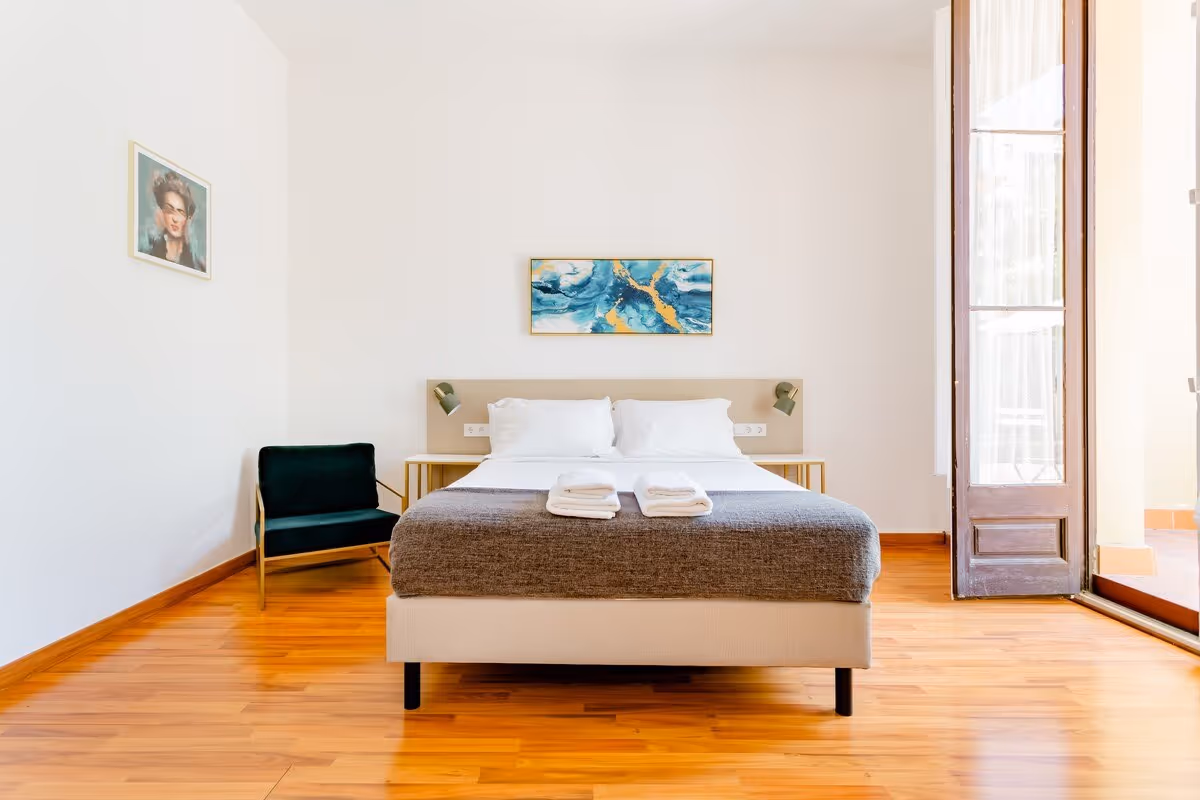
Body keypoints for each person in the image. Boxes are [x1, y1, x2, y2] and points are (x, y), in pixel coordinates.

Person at [143, 171, 205, 272]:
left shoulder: (197, 266)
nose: (175, 219)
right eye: (169, 210)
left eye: (181, 212)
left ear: (188, 218)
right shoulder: (148, 254)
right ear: (162, 212)